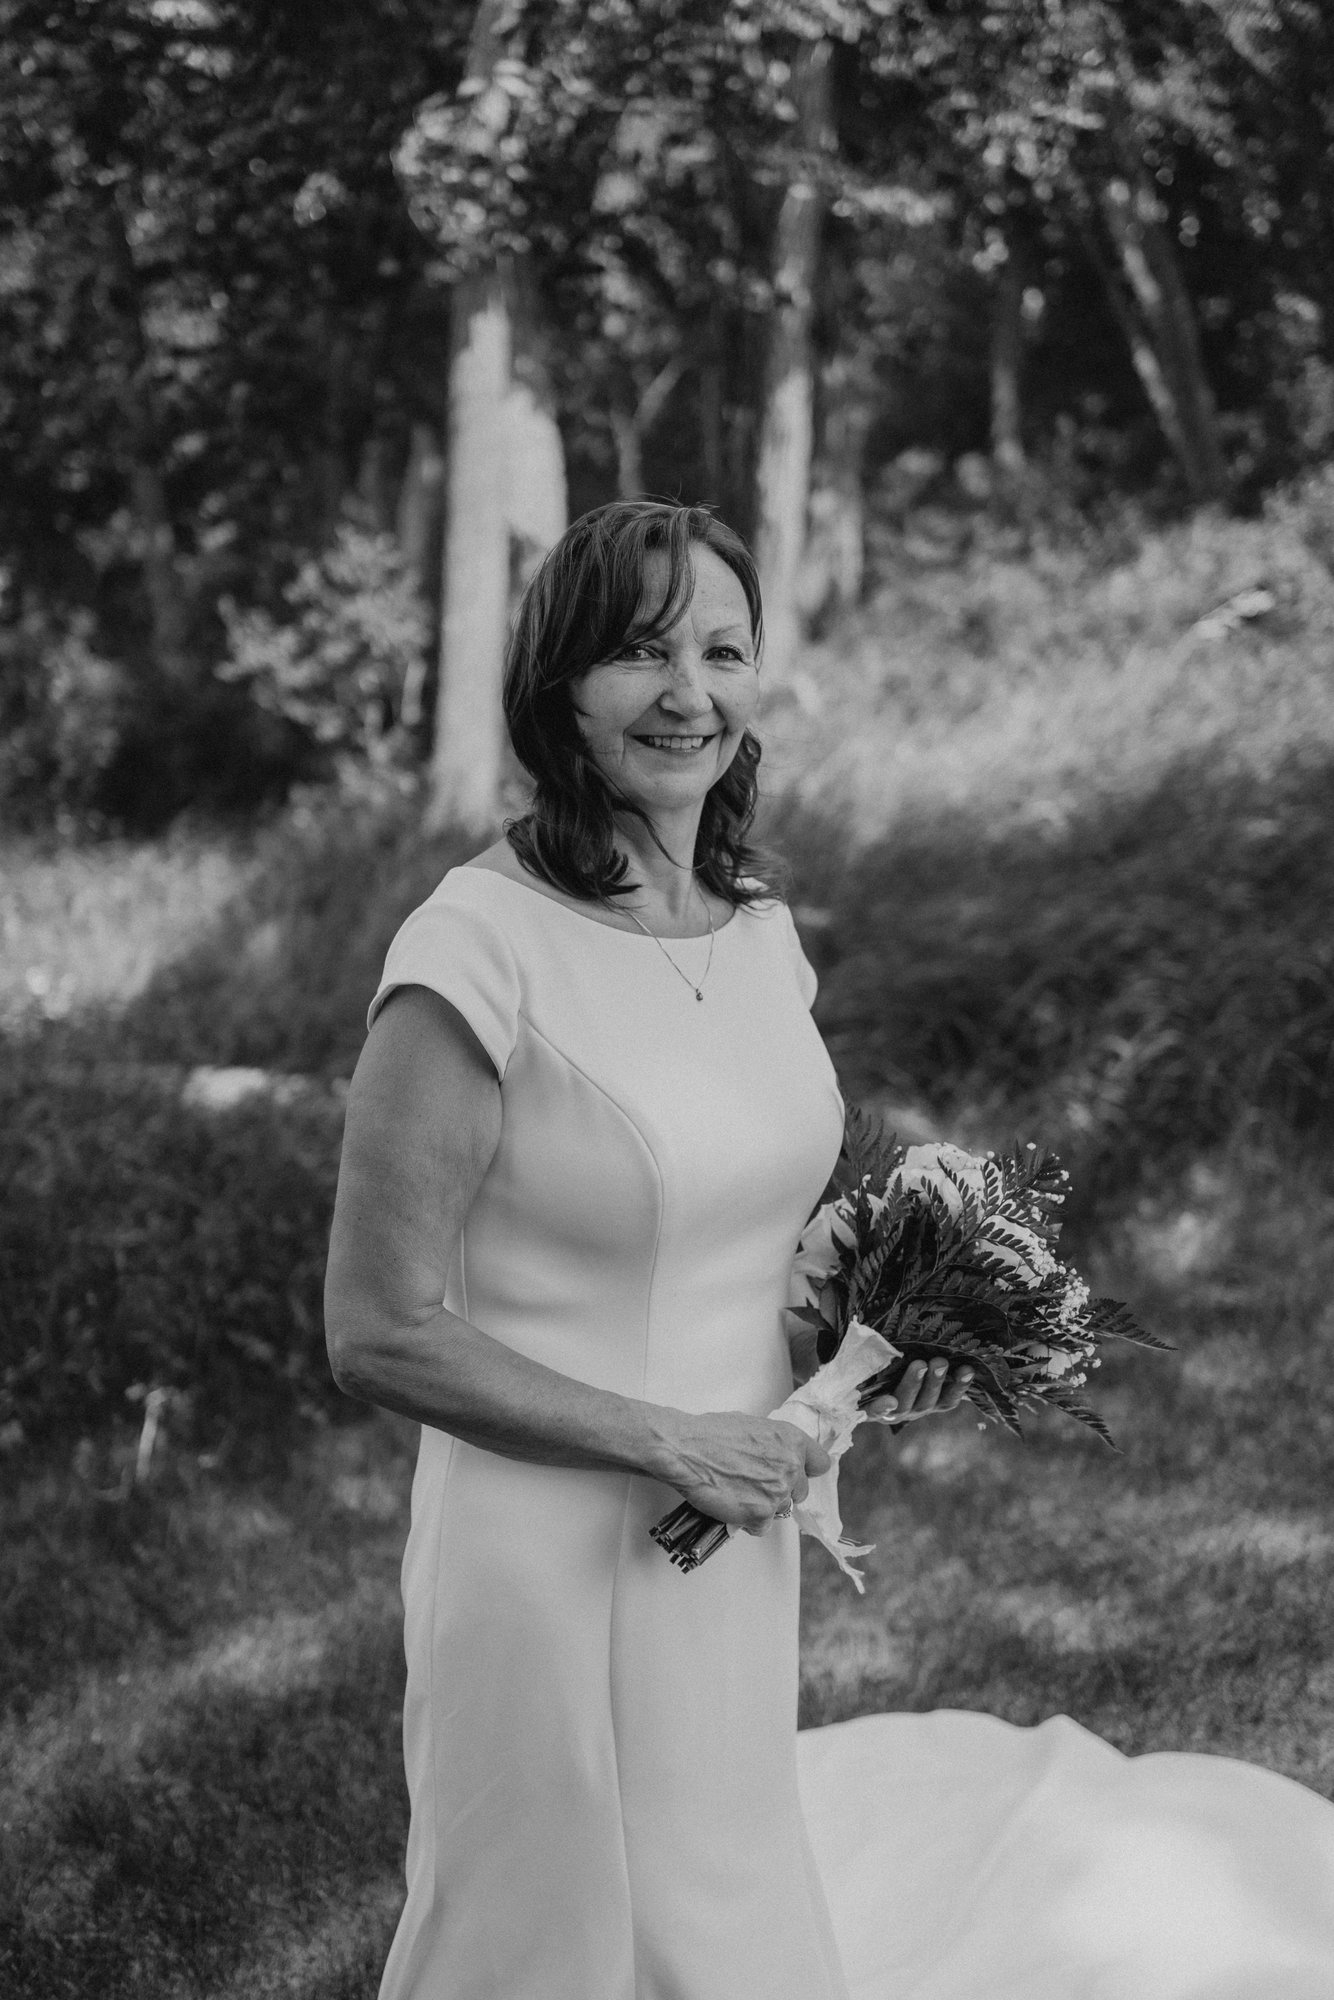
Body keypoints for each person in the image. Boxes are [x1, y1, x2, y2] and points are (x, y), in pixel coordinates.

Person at [326, 501, 1334, 2000]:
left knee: (715, 1896)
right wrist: (668, 1437)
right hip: (542, 1557)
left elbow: (735, 1222)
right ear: (557, 686)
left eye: (721, 651)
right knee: (543, 1928)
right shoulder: (473, 952)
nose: (687, 693)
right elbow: (377, 1327)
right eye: (636, 652)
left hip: (729, 1532)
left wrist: (851, 1338)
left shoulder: (752, 929)